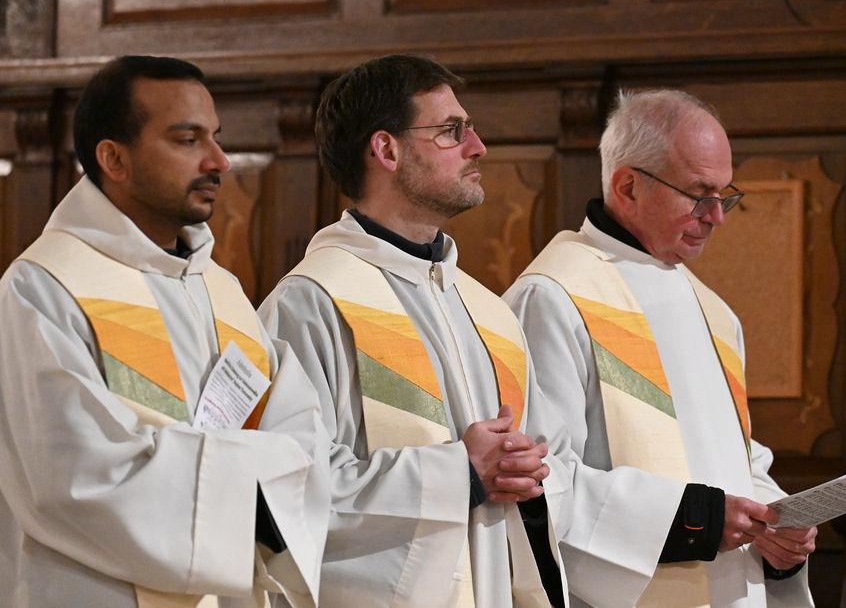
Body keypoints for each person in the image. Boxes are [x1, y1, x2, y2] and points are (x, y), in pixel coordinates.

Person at [0, 55, 328, 608]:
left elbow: (301, 428)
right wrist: (251, 487)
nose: (219, 160)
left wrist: (250, 488)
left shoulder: (220, 289)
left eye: (216, 138)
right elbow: (77, 478)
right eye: (187, 140)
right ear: (114, 158)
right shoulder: (45, 288)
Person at [258, 54, 563, 607]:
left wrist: (528, 472)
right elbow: (286, 492)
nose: (478, 147)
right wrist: (459, 474)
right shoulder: (312, 302)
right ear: (386, 150)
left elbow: (544, 466)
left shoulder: (487, 310)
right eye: (452, 131)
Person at [503, 89, 817, 607]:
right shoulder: (554, 298)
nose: (717, 216)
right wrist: (694, 521)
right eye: (698, 194)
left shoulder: (713, 311)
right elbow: (538, 479)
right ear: (627, 186)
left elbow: (735, 459)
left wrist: (778, 527)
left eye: (723, 195)